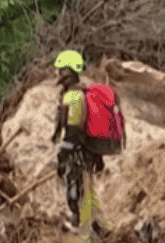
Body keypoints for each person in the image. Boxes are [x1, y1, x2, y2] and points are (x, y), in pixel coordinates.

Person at [51, 50, 122, 231]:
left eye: (60, 70)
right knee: (85, 184)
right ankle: (93, 222)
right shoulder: (77, 92)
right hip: (85, 147)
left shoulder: (73, 96)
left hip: (77, 148)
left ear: (67, 71)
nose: (57, 73)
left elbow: (74, 125)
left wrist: (65, 150)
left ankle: (77, 221)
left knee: (74, 182)